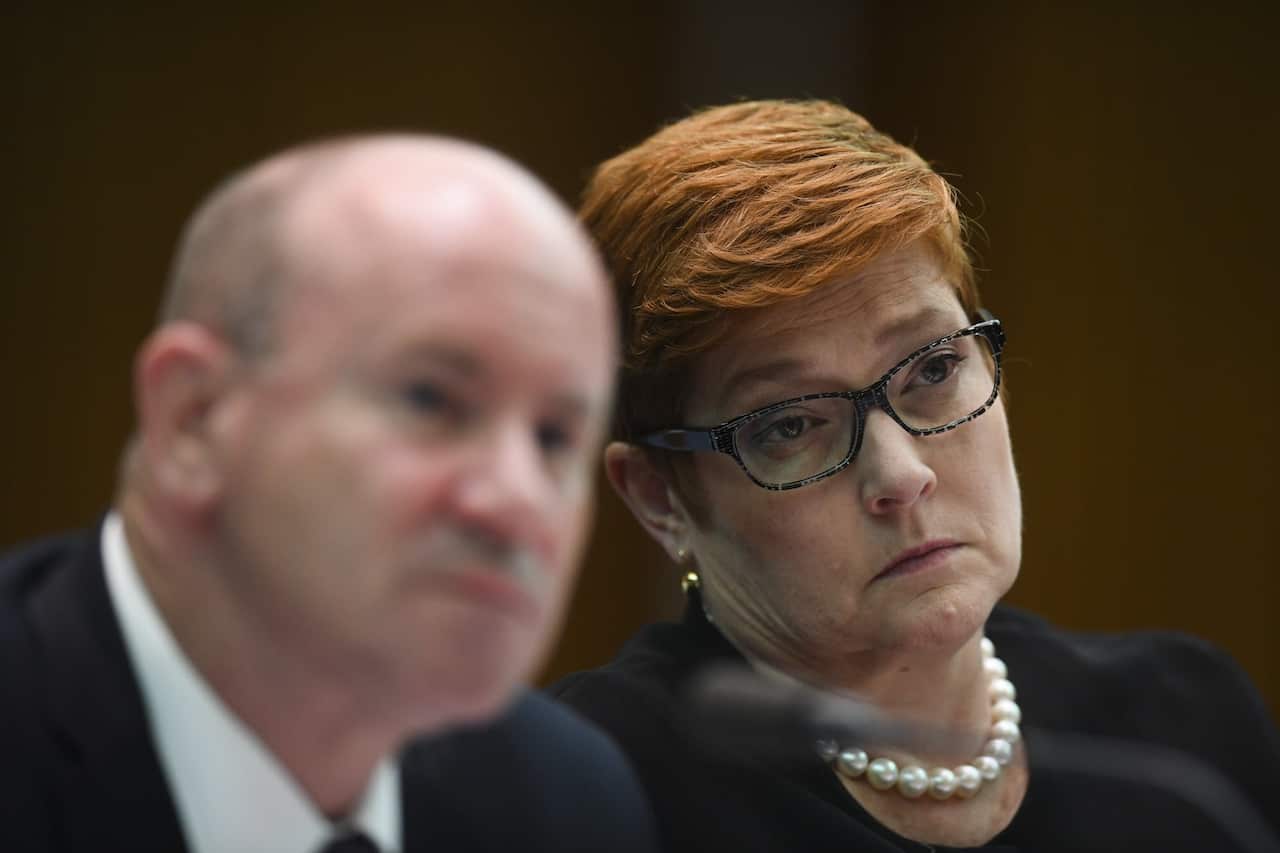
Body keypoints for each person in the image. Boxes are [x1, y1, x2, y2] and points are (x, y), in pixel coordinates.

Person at [548, 100, 1280, 852]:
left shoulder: (1181, 733)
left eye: (933, 367)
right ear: (659, 496)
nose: (901, 474)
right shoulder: (579, 795)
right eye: (790, 424)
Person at [0, 135, 659, 853]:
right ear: (194, 418)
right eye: (431, 398)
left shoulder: (566, 803)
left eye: (555, 438)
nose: (514, 500)